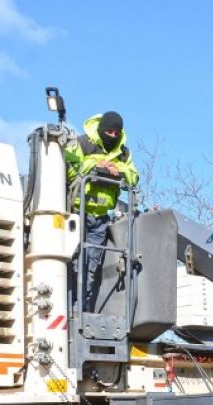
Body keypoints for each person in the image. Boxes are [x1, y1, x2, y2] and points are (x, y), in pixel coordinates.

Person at [64, 111, 139, 312]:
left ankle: (80, 310)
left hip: (101, 218)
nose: (112, 136)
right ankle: (67, 308)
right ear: (101, 129)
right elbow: (69, 168)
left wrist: (117, 168)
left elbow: (133, 176)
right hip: (77, 213)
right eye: (109, 131)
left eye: (116, 132)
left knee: (91, 266)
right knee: (72, 262)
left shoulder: (123, 153)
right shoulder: (82, 143)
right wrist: (96, 165)